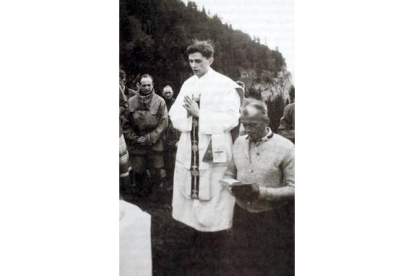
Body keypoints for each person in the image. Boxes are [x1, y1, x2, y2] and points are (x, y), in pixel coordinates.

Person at [168, 40, 242, 274]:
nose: (193, 65)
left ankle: (215, 241)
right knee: (190, 196)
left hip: (214, 149)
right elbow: (174, 114)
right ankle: (192, 236)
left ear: (210, 60)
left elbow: (232, 118)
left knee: (214, 193)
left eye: (198, 61)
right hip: (189, 148)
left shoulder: (226, 85)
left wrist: (200, 114)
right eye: (190, 61)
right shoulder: (188, 84)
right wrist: (191, 119)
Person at [225, 98, 295, 276]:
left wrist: (261, 193)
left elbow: (295, 188)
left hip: (273, 220)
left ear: (267, 122)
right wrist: (231, 186)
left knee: (270, 266)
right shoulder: (239, 142)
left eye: (253, 125)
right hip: (241, 216)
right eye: (244, 125)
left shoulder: (286, 148)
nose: (247, 130)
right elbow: (229, 174)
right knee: (241, 264)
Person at [123, 74, 168, 194]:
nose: (147, 88)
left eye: (149, 85)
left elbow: (163, 123)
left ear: (153, 85)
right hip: (137, 144)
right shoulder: (131, 101)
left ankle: (157, 198)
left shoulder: (160, 101)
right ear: (139, 86)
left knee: (156, 172)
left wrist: (149, 138)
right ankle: (141, 197)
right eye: (144, 85)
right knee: (138, 172)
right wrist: (135, 138)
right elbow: (126, 124)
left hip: (155, 142)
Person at [161, 85, 180, 182]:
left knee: (173, 157)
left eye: (169, 92)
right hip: (163, 133)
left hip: (174, 132)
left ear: (172, 93)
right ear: (162, 94)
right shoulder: (161, 103)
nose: (167, 94)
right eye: (166, 93)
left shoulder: (177, 103)